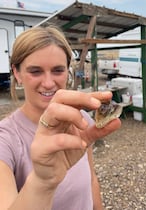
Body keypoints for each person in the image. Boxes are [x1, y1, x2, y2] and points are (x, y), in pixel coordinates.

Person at [0, 25, 121, 210]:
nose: (48, 83)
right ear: (17, 73)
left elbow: (91, 178)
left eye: (58, 70)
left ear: (68, 72)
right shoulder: (5, 139)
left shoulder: (80, 120)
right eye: (35, 71)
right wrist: (42, 182)